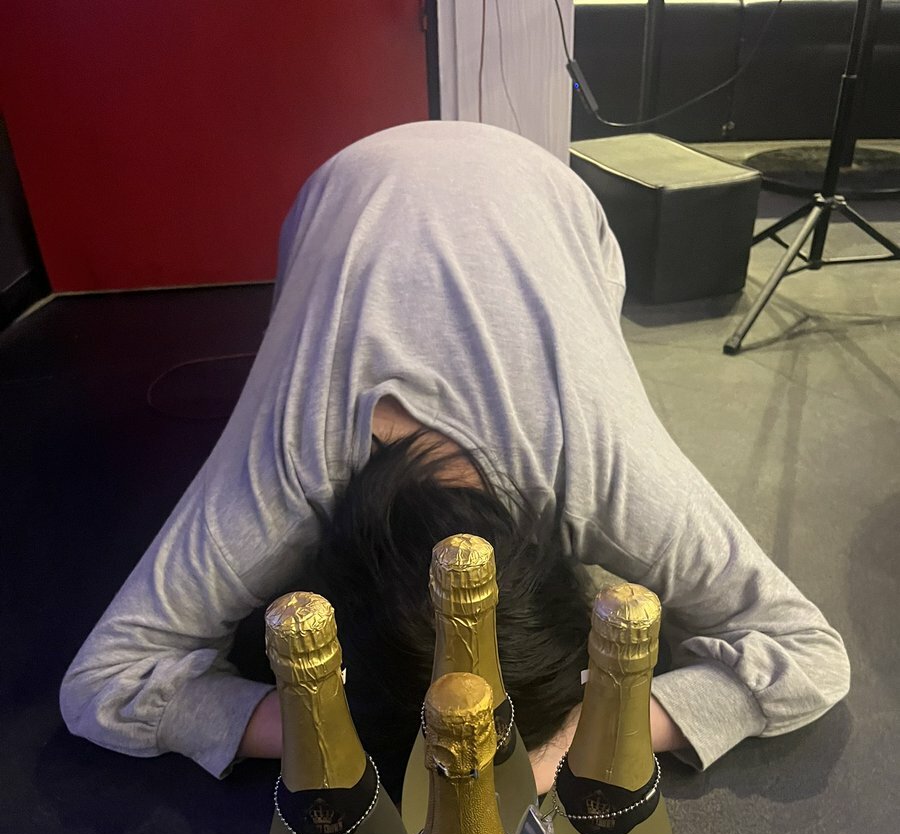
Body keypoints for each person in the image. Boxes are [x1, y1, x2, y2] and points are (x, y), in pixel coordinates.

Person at [59, 120, 850, 798]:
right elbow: (99, 684)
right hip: (342, 187)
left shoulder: (604, 468)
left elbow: (812, 656)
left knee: (596, 351)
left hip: (554, 198)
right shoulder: (285, 475)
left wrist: (570, 737)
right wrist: (342, 730)